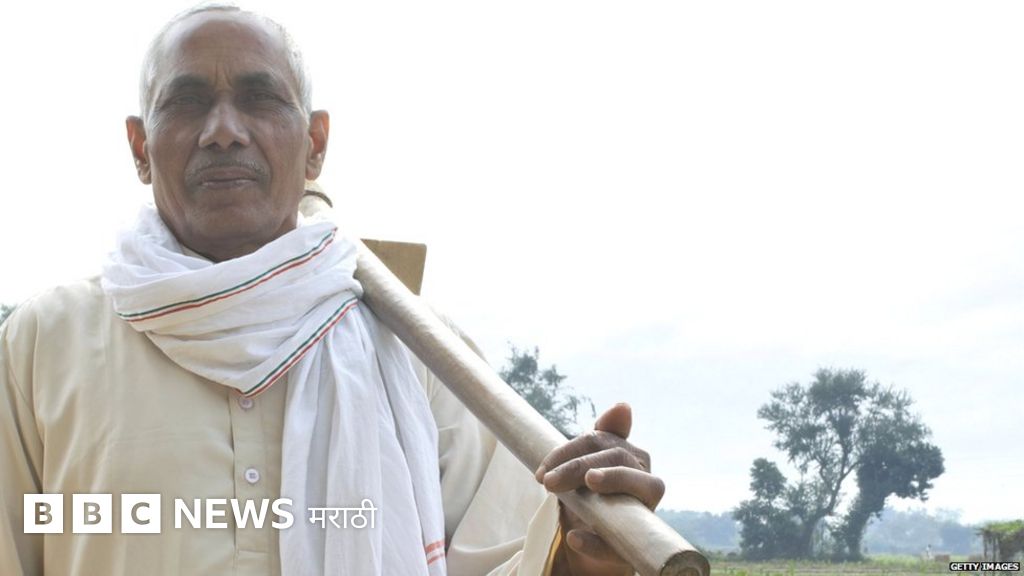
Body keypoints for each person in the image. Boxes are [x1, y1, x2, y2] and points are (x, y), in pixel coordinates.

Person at [0, 5, 664, 575]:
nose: (224, 130)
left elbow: (500, 562)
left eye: (259, 98)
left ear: (315, 143)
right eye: (188, 101)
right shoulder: (43, 343)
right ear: (140, 147)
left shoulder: (419, 351)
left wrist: (580, 552)